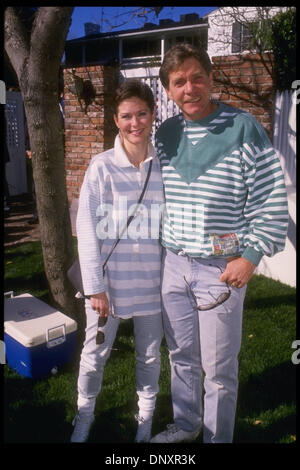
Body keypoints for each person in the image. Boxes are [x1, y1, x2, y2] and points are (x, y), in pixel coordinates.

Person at [150, 43, 289, 444]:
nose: (189, 88)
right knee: (181, 358)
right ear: (168, 90)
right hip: (174, 265)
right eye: (179, 82)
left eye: (197, 78)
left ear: (210, 80)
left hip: (222, 269)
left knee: (219, 370)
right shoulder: (166, 133)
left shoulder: (243, 127)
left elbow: (270, 198)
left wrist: (250, 256)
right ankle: (188, 425)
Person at [71, 79, 164, 443]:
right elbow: (86, 226)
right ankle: (84, 415)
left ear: (153, 114)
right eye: (126, 116)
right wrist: (95, 287)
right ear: (116, 119)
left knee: (150, 356)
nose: (135, 122)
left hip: (153, 285)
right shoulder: (102, 166)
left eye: (142, 113)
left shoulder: (163, 166)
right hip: (107, 289)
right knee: (94, 355)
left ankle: (145, 419)